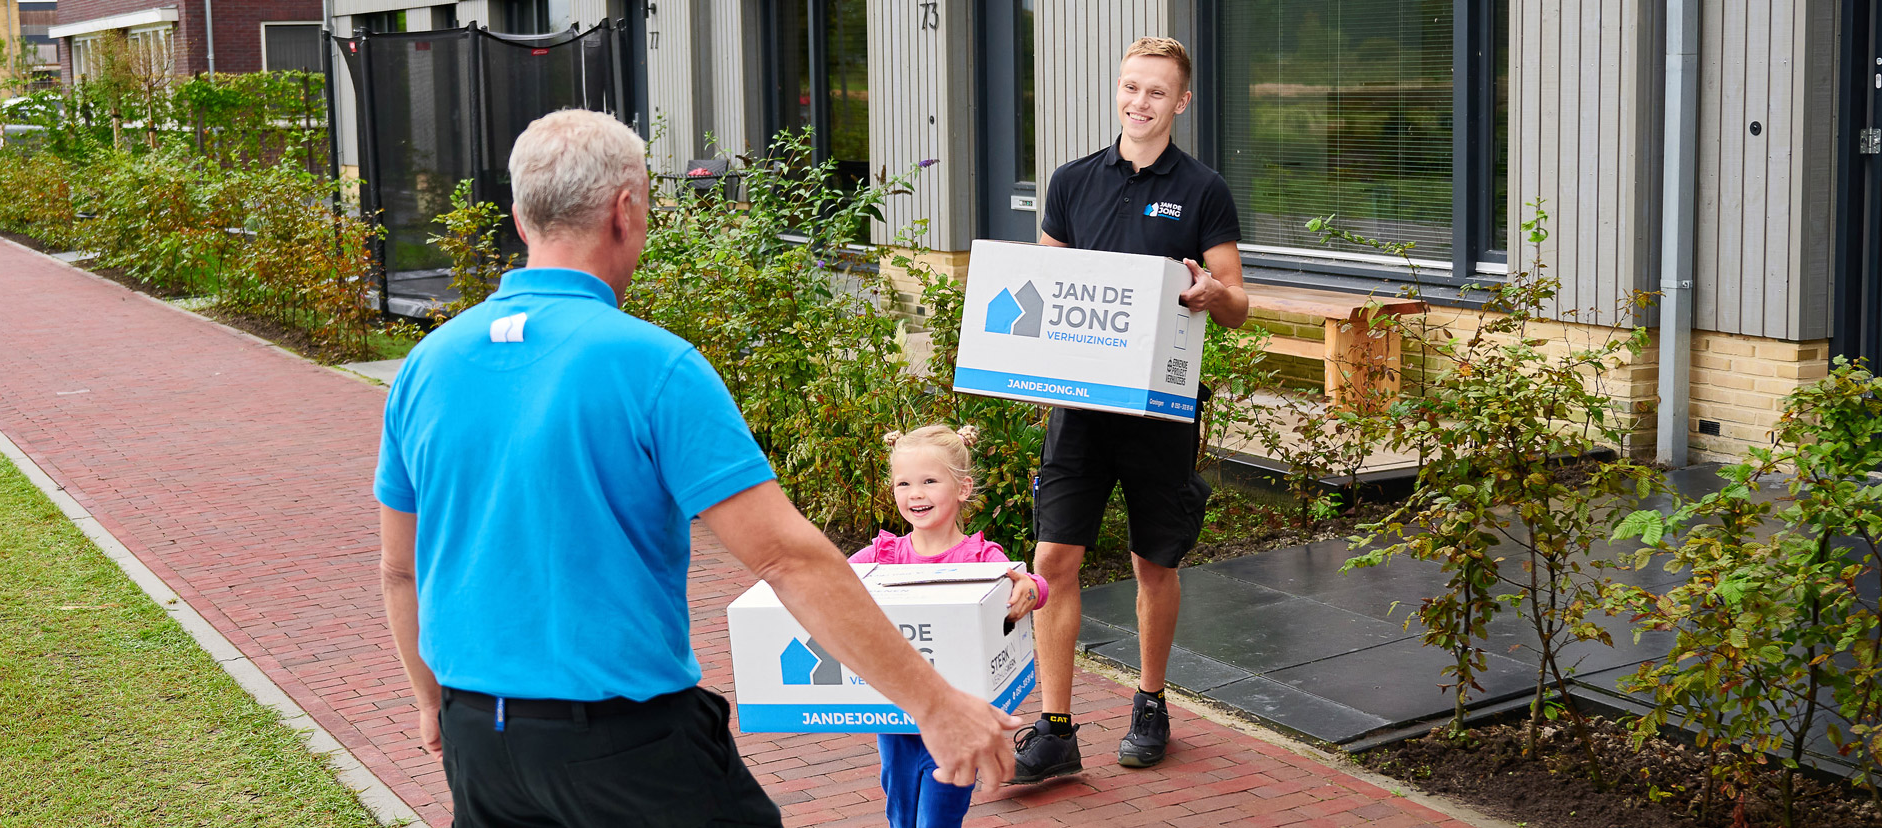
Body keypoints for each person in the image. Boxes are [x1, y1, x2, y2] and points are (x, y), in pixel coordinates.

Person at [374, 109, 1019, 828]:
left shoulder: (425, 366)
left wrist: (431, 700)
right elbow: (786, 557)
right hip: (625, 748)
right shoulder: (652, 365)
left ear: (524, 220)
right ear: (626, 211)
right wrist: (933, 704)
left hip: (479, 744)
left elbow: (400, 570)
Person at [1012, 36, 1251, 784]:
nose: (1138, 102)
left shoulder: (1204, 188)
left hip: (1159, 409)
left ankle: (1150, 703)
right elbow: (1042, 282)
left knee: (1155, 562)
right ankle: (1055, 729)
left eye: (1156, 92)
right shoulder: (1073, 181)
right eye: (1129, 87)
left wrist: (1214, 296)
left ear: (1180, 103)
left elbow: (1237, 300)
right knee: (1053, 561)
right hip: (1078, 410)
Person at [847, 425, 1044, 828]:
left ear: (962, 488)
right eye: (903, 483)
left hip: (959, 716)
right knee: (900, 812)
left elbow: (1030, 584)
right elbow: (832, 583)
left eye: (929, 481)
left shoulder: (981, 557)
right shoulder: (882, 554)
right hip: (897, 717)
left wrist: (1029, 587)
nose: (915, 493)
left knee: (938, 816)